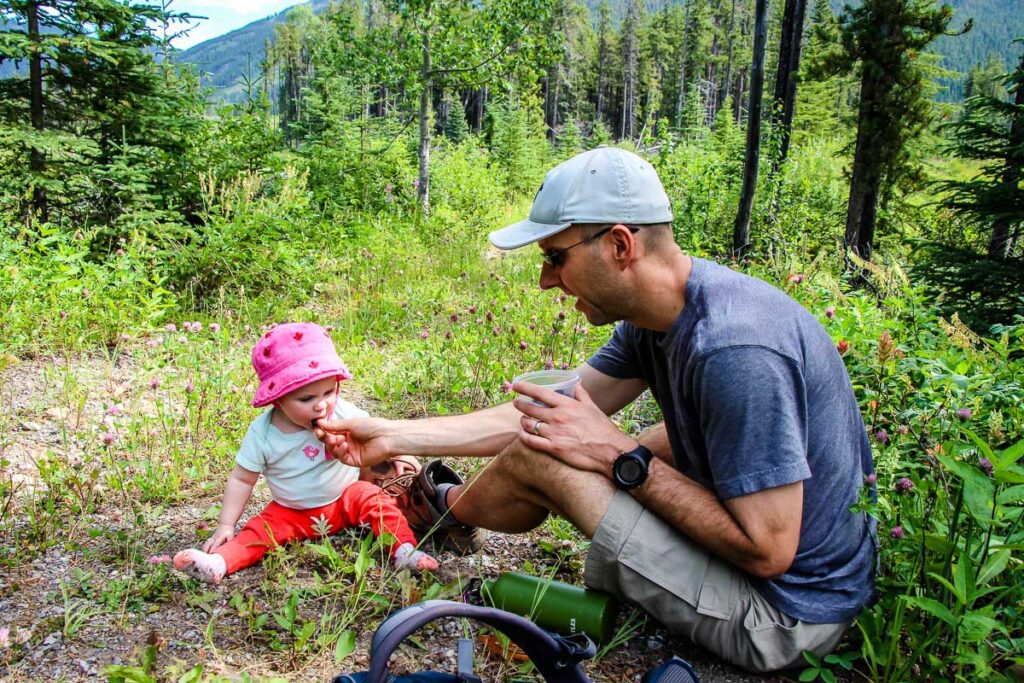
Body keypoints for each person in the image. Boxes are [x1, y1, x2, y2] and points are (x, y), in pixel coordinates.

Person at [317, 147, 877, 673]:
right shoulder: (663, 316)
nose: (545, 281)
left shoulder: (734, 351)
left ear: (619, 245)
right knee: (574, 435)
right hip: (781, 573)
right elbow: (531, 416)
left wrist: (618, 454)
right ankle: (443, 508)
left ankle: (438, 513)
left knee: (554, 456)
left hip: (785, 616)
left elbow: (769, 550)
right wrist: (389, 435)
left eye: (556, 258)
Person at [173, 322, 438, 584]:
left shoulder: (343, 414)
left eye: (328, 391)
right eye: (306, 399)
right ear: (278, 399)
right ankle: (219, 562)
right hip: (291, 511)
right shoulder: (264, 433)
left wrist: (400, 456)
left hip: (345, 497)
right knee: (258, 532)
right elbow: (243, 479)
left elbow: (377, 436)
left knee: (378, 502)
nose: (321, 405)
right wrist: (226, 524)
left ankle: (404, 550)